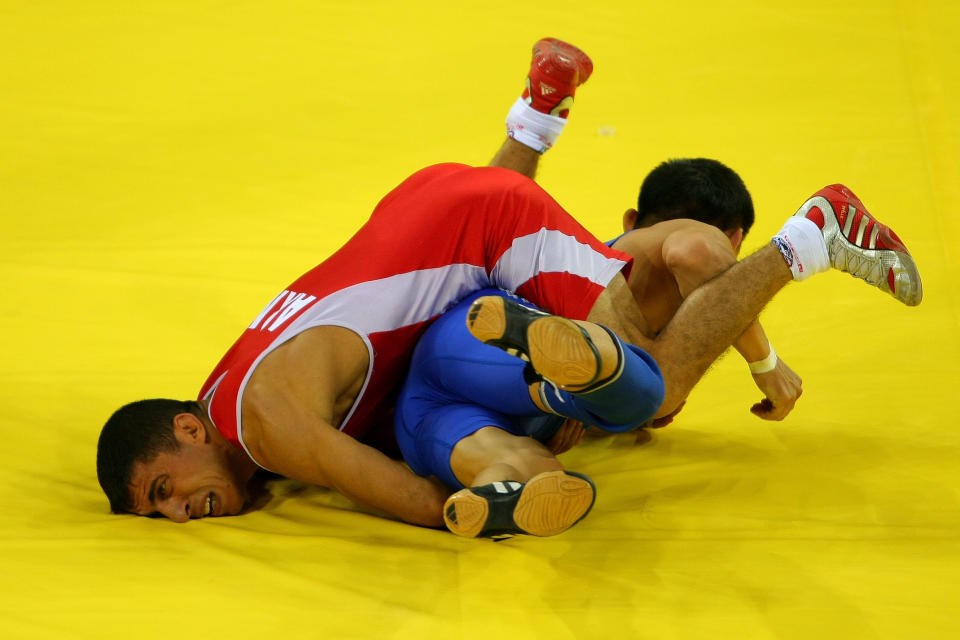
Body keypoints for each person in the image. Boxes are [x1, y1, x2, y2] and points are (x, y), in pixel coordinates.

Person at [96, 38, 922, 531]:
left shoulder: (269, 425)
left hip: (484, 222)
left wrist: (485, 502)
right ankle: (536, 115)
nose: (175, 513)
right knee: (524, 306)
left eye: (162, 487)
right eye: (156, 511)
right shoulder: (222, 391)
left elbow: (405, 494)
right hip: (435, 210)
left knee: (652, 385)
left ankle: (807, 238)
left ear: (188, 430)